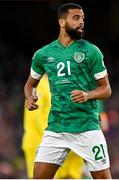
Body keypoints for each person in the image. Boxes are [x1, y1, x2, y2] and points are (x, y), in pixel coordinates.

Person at [24, 3, 112, 179]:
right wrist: (29, 97)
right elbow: (29, 84)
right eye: (76, 18)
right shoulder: (43, 54)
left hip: (87, 128)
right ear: (62, 22)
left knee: (103, 178)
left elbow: (106, 89)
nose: (81, 22)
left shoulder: (91, 51)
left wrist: (88, 94)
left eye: (83, 19)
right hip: (57, 129)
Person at [22, 75, 83, 179]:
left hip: (58, 141)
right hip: (40, 143)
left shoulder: (59, 84)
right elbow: (36, 117)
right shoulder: (39, 86)